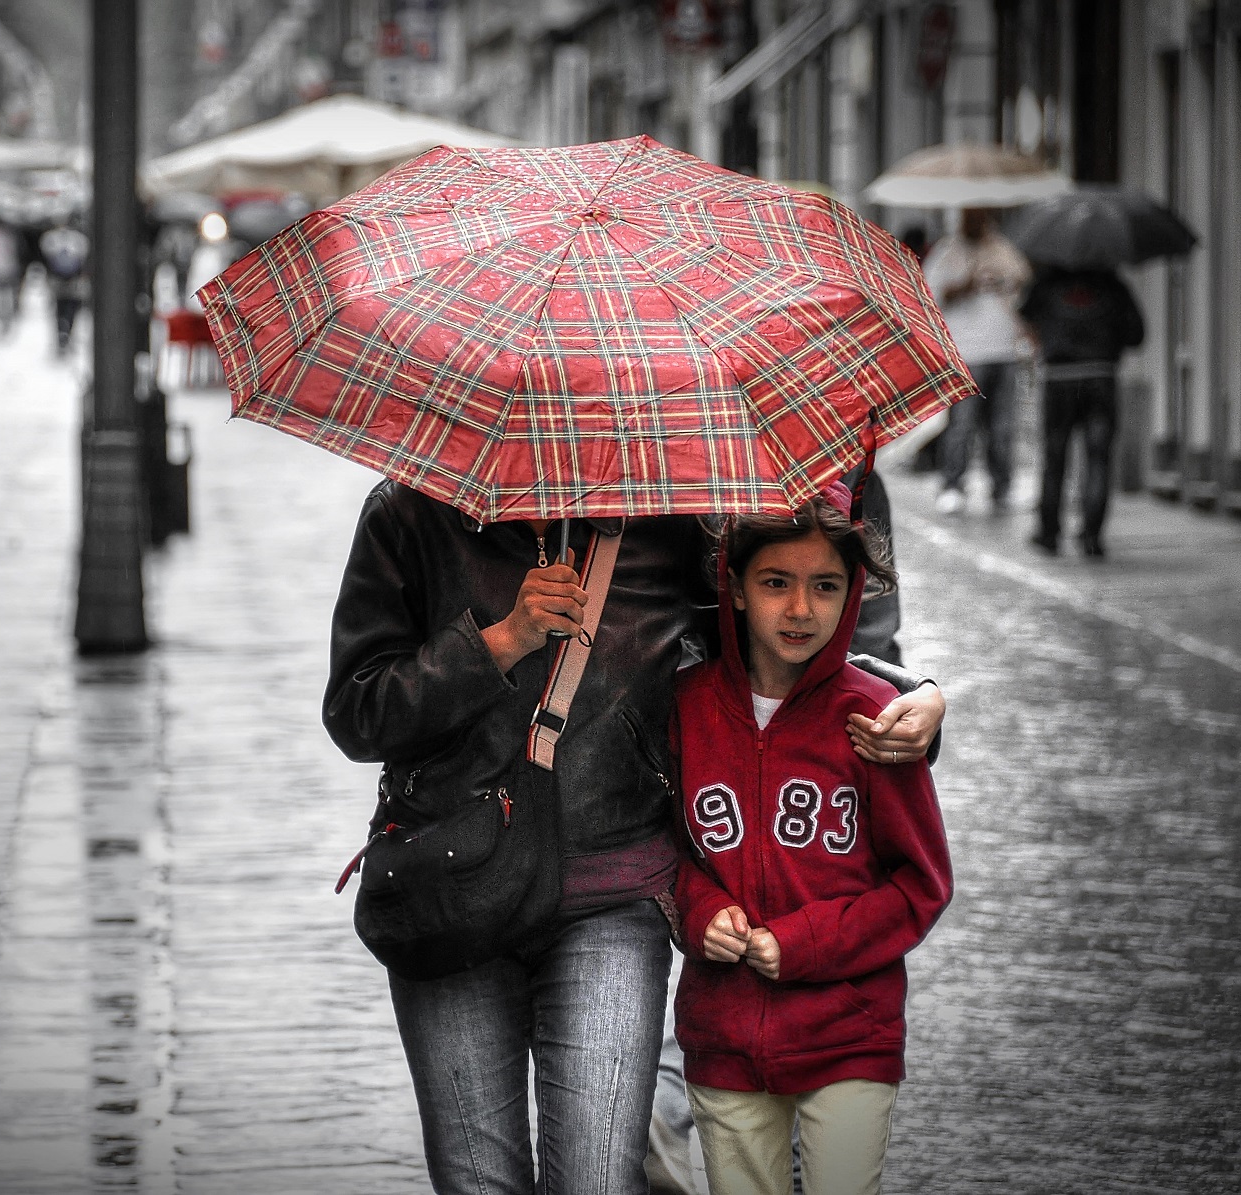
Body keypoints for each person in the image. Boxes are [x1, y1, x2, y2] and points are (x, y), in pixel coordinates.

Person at [324, 485, 946, 1195]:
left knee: (600, 1180)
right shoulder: (409, 512)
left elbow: (773, 649)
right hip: (453, 888)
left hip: (611, 895)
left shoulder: (662, 518)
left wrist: (912, 691)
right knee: (478, 1182)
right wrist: (499, 641)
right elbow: (356, 710)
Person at [672, 489, 953, 1195]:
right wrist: (702, 911)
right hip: (724, 1034)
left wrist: (804, 943)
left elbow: (921, 884)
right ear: (734, 588)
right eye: (775, 583)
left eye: (824, 586)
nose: (800, 609)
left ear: (851, 591)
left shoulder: (872, 720)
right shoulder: (683, 709)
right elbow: (660, 850)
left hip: (851, 1032)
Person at [1019, 266, 1145, 558]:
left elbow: (1026, 317)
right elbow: (1137, 334)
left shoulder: (1046, 284)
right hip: (1100, 377)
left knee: (1054, 457)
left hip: (1059, 379)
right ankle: (1092, 537)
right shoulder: (1113, 285)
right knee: (1098, 459)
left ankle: (1049, 534)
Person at [922, 208, 1031, 514]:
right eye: (970, 216)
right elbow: (929, 295)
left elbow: (1022, 281)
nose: (976, 222)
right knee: (962, 424)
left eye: (981, 216)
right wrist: (962, 287)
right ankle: (953, 485)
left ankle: (1002, 486)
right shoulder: (948, 251)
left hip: (1004, 350)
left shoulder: (1002, 249)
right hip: (965, 352)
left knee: (1003, 425)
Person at [40, 223, 89, 355]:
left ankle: (62, 332)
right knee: (69, 308)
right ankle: (65, 332)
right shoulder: (79, 239)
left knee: (61, 307)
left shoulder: (52, 238)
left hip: (60, 280)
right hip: (71, 280)